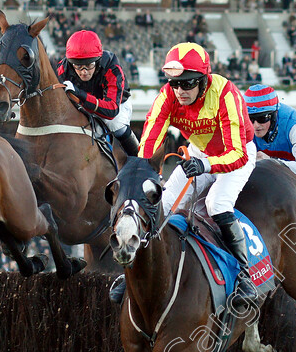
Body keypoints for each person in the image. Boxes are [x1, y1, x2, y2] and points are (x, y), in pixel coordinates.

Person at [109, 42, 257, 306]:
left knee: (216, 204)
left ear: (203, 80)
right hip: (199, 153)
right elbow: (149, 142)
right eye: (175, 84)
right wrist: (141, 175)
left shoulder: (225, 94)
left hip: (237, 155)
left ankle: (244, 275)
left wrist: (205, 166)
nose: (179, 91)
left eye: (187, 84)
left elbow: (238, 153)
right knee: (160, 205)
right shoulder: (167, 96)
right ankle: (131, 269)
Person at [57, 29, 138, 156]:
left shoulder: (112, 68)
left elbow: (111, 110)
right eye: (78, 66)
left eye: (89, 65)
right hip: (83, 104)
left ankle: (141, 161)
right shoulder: (63, 69)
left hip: (116, 106)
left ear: (98, 59)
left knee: (116, 125)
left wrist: (79, 94)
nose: (84, 71)